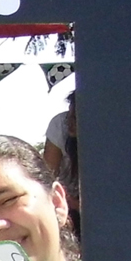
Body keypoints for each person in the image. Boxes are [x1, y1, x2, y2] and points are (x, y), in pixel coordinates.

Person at [43, 92, 80, 230]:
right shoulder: (60, 125)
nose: (69, 121)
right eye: (69, 115)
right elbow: (47, 176)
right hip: (65, 203)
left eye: (75, 118)